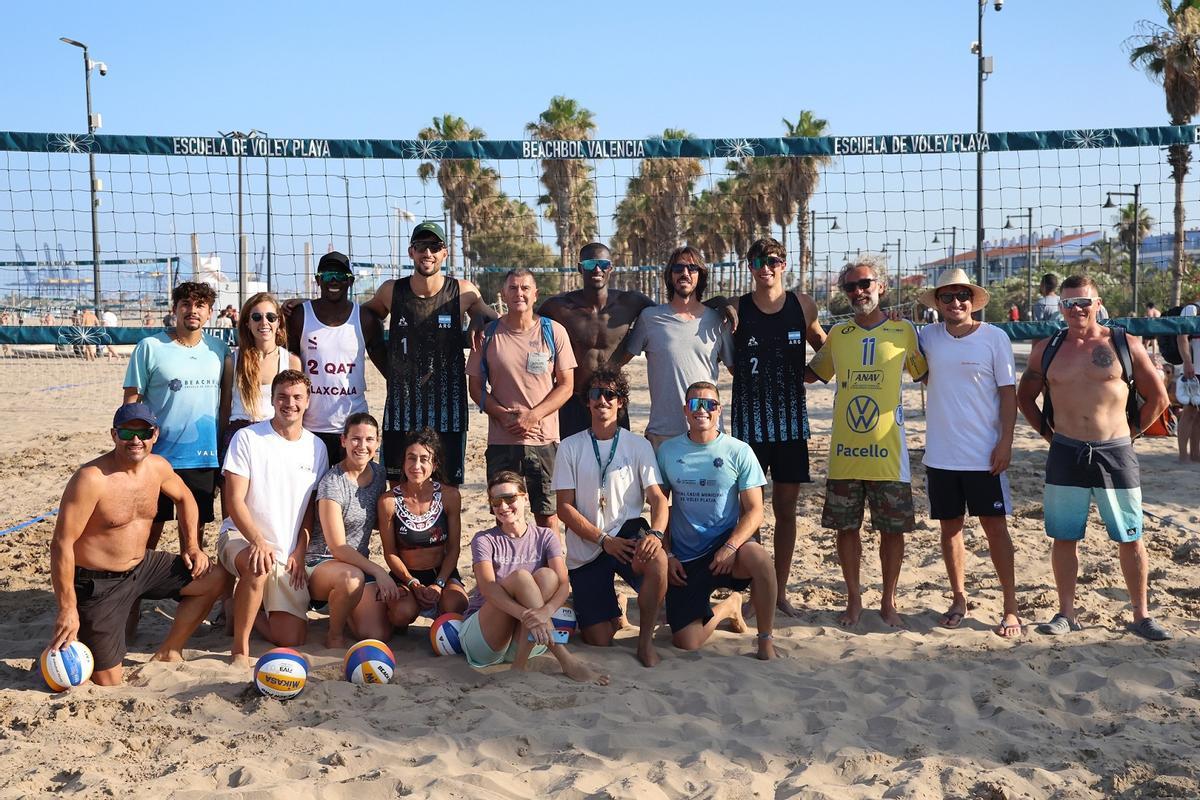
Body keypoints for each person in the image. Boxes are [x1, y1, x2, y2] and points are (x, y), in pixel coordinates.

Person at [1016, 275, 1171, 641]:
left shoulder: (1124, 344)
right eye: (1069, 304)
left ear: (1097, 303)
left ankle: (1141, 614)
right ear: (1061, 308)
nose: (1077, 310)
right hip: (1066, 451)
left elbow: (1159, 399)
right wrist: (1047, 434)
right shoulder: (1048, 348)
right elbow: (1025, 397)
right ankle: (1066, 613)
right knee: (1064, 536)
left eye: (1084, 302)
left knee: (1130, 536)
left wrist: (1130, 433)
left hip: (1114, 452)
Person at [47, 404, 227, 685]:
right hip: (99, 583)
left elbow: (185, 498)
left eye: (143, 432)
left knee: (215, 578)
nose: (135, 440)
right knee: (108, 681)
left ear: (155, 434)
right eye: (127, 432)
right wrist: (66, 608)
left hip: (142, 566)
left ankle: (169, 650)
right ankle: (79, 625)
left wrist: (192, 546)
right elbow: (61, 544)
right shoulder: (92, 479)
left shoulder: (158, 467)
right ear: (114, 435)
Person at [805, 259, 928, 628]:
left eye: (865, 284)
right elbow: (810, 374)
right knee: (847, 529)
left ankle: (888, 602)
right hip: (845, 453)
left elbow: (930, 376)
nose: (859, 292)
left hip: (890, 454)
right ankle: (854, 599)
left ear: (882, 286)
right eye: (850, 287)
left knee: (892, 531)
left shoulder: (904, 331)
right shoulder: (839, 335)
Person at [540, 241, 737, 440]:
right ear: (580, 268)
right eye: (590, 264)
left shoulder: (631, 302)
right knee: (572, 464)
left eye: (603, 264)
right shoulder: (558, 307)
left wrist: (718, 302)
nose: (597, 269)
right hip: (575, 399)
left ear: (611, 268)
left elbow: (673, 317)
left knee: (617, 468)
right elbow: (526, 328)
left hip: (612, 399)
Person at [917, 268, 1021, 638]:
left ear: (973, 300)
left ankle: (1010, 608)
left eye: (963, 295)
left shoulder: (994, 338)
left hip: (984, 454)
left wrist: (1005, 442)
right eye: (948, 296)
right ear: (938, 303)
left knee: (996, 530)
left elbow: (1009, 394)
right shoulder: (927, 337)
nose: (956, 302)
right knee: (950, 529)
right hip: (941, 454)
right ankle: (959, 597)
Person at [728, 238, 826, 617]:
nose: (765, 267)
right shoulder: (736, 307)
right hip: (749, 427)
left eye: (772, 260)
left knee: (786, 511)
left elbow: (825, 346)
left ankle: (779, 591)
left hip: (790, 426)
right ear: (749, 266)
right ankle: (756, 591)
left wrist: (814, 373)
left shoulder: (803, 305)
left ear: (783, 264)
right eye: (757, 261)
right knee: (750, 513)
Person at [362, 221, 497, 486]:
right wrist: (307, 307)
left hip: (449, 408)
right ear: (411, 251)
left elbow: (499, 322)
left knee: (447, 487)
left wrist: (479, 319)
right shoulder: (391, 290)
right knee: (399, 486)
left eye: (434, 246)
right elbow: (361, 316)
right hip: (403, 406)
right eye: (422, 246)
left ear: (444, 253)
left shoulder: (464, 291)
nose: (428, 253)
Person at [552, 366, 669, 667]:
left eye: (609, 394)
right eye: (595, 394)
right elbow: (564, 507)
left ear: (620, 402)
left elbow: (657, 498)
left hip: (627, 534)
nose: (602, 400)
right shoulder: (569, 446)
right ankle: (612, 609)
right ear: (587, 402)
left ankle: (645, 643)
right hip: (589, 545)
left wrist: (656, 534)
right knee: (598, 639)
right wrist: (603, 541)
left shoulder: (638, 445)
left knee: (658, 562)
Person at [656, 382, 777, 659]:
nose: (703, 410)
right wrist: (668, 553)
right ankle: (729, 607)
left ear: (719, 410)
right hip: (685, 560)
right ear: (685, 410)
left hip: (727, 549)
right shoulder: (668, 451)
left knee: (759, 557)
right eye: (695, 404)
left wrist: (732, 546)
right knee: (687, 642)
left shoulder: (739, 450)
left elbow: (755, 510)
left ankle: (765, 640)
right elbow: (660, 508)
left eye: (709, 404)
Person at [217, 370, 330, 665]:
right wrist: (257, 540)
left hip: (285, 549)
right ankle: (240, 651)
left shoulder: (316, 447)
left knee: (292, 637)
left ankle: (239, 609)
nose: (288, 403)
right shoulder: (248, 438)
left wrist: (300, 549)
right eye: (282, 396)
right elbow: (233, 500)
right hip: (241, 536)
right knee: (257, 565)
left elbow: (309, 509)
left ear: (307, 402)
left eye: (296, 397)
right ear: (272, 399)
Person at [460, 470, 609, 683]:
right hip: (486, 641)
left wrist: (545, 612)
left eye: (509, 498)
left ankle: (519, 666)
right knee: (521, 578)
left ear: (525, 498)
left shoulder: (545, 536)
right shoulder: (484, 539)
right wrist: (528, 615)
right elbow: (488, 589)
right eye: (495, 501)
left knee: (548, 577)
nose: (502, 506)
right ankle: (566, 660)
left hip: (528, 642)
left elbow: (564, 584)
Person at [467, 269, 577, 529]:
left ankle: (551, 569)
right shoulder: (488, 335)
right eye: (513, 288)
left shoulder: (553, 331)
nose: (519, 293)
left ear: (535, 294)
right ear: (503, 294)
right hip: (502, 440)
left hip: (544, 440)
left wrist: (533, 415)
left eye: (525, 288)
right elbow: (475, 388)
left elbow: (566, 386)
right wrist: (504, 415)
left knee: (547, 515)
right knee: (504, 514)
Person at [124, 282, 228, 551]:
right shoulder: (150, 346)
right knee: (148, 531)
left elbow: (225, 405)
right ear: (175, 309)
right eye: (186, 304)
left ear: (209, 313)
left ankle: (189, 589)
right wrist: (127, 445)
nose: (192, 311)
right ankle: (133, 588)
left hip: (202, 456)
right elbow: (130, 403)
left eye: (200, 306)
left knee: (193, 538)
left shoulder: (219, 349)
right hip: (157, 455)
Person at [610, 246, 734, 450]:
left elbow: (737, 370)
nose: (685, 273)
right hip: (663, 435)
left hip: (707, 431)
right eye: (678, 268)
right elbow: (617, 363)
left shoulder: (718, 321)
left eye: (692, 268)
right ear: (670, 276)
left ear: (700, 276)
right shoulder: (649, 318)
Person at [284, 251, 386, 464]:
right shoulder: (300, 315)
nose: (334, 281)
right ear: (318, 279)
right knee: (311, 494)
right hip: (310, 425)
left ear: (350, 281)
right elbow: (287, 367)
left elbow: (389, 369)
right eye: (328, 275)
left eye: (340, 276)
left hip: (352, 426)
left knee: (354, 492)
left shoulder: (365, 319)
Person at [305, 412, 395, 648]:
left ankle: (346, 611)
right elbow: (338, 547)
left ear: (378, 443)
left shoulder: (379, 474)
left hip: (358, 566)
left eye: (369, 440)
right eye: (355, 439)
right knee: (351, 579)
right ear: (343, 440)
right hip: (321, 563)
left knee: (376, 634)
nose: (362, 446)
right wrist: (379, 571)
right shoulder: (332, 482)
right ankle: (334, 635)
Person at [378, 428, 469, 628]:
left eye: (424, 459)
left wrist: (439, 584)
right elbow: (390, 552)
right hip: (406, 576)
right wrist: (412, 582)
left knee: (456, 605)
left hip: (442, 573)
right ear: (403, 462)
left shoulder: (450, 496)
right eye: (411, 458)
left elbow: (454, 548)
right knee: (401, 614)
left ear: (434, 464)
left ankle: (440, 609)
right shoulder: (388, 501)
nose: (416, 466)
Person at [218, 293, 302, 458]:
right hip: (239, 436)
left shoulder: (291, 361)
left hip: (275, 435)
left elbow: (298, 409)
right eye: (257, 317)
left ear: (279, 322)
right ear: (247, 323)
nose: (264, 322)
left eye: (271, 317)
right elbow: (225, 409)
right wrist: (220, 445)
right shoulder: (233, 360)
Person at [1175, 296, 1200, 463]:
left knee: (1198, 415)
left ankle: (1195, 455)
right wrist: (1187, 362)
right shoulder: (1192, 309)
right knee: (1189, 412)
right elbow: (1181, 337)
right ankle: (1183, 455)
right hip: (1194, 370)